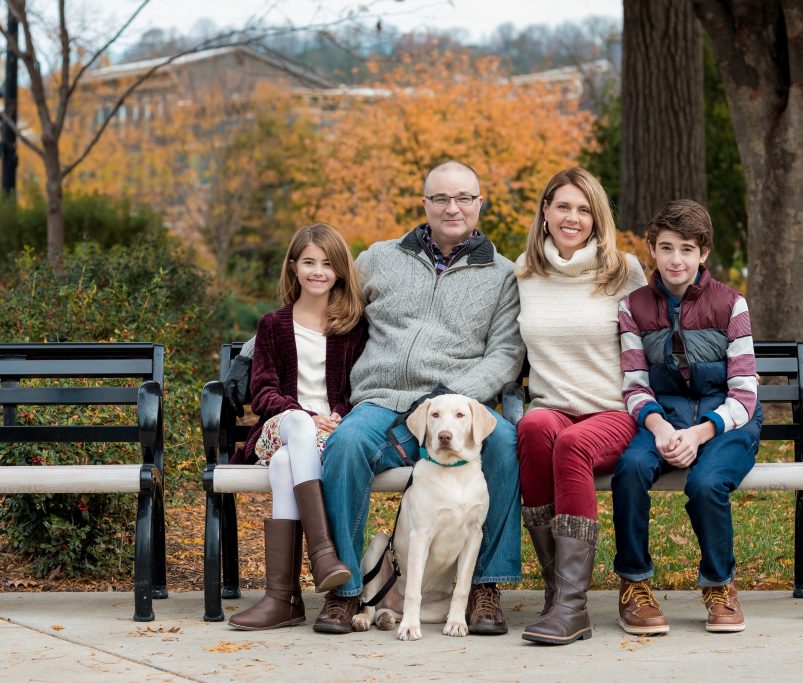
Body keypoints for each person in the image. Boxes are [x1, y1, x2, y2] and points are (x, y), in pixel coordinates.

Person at [312, 160, 524, 635]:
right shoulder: (378, 259)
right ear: (424, 203)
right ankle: (346, 591)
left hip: (454, 407)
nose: (454, 208)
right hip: (381, 402)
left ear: (479, 204)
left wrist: (449, 404)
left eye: (464, 198)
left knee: (508, 442)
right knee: (346, 446)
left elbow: (506, 354)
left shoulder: (502, 275)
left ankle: (486, 589)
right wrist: (259, 348)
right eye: (441, 198)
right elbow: (325, 309)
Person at [613, 199, 762, 634]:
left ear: (703, 253)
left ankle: (719, 585)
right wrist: (658, 427)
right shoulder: (633, 307)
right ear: (652, 251)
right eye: (666, 248)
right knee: (631, 466)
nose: (676, 259)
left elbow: (745, 390)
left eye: (686, 249)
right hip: (667, 415)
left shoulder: (731, 304)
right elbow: (635, 384)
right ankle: (634, 583)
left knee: (706, 482)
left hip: (729, 419)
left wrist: (700, 433)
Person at [515, 168, 647, 645]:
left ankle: (573, 607)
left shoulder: (623, 271)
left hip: (612, 411)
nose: (573, 217)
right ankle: (557, 592)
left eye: (584, 209)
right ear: (545, 212)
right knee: (531, 428)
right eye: (563, 206)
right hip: (551, 406)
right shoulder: (524, 273)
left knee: (572, 445)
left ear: (597, 217)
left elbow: (647, 352)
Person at [229, 223, 367, 631]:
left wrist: (339, 415)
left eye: (327, 264)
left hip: (330, 435)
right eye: (308, 262)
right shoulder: (272, 325)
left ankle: (283, 598)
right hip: (281, 426)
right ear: (293, 267)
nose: (317, 271)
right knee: (296, 432)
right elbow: (264, 391)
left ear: (339, 271)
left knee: (287, 464)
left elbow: (357, 388)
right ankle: (323, 553)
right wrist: (304, 415)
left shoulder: (351, 327)